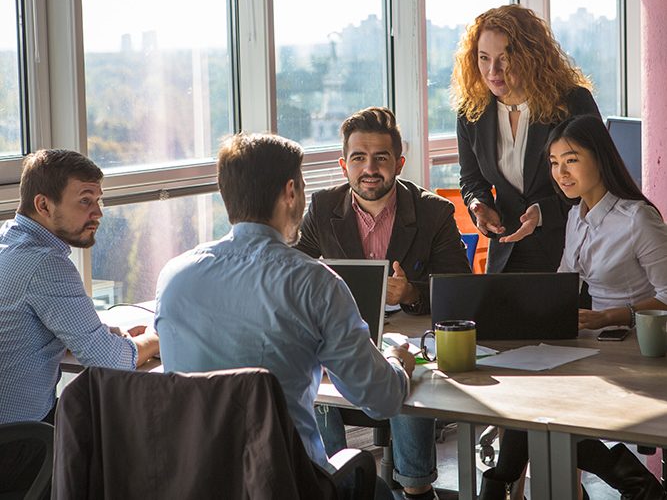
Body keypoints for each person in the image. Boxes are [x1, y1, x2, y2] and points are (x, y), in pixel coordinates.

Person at [154, 132, 414, 500]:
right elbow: (381, 399)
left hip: (194, 480)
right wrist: (397, 360)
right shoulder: (315, 282)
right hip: (286, 484)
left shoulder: (174, 275)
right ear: (291, 192)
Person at [480, 114, 667, 500]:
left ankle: (499, 485)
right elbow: (564, 281)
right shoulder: (574, 217)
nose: (561, 172)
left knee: (541, 414)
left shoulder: (637, 219)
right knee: (527, 400)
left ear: (599, 157)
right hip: (597, 342)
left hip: (639, 346)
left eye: (571, 159)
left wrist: (610, 316)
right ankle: (637, 486)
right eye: (554, 162)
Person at [296, 107, 471, 500]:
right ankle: (332, 479)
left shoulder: (432, 211)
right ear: (344, 165)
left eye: (381, 158)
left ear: (399, 163)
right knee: (310, 366)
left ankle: (416, 487)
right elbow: (293, 271)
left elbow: (460, 288)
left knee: (402, 367)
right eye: (358, 157)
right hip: (344, 333)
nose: (369, 168)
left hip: (408, 335)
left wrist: (410, 294)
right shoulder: (323, 208)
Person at [0, 149, 159, 494]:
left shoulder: (8, 243)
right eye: (85, 201)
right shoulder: (45, 264)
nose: (98, 213)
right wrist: (156, 338)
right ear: (43, 205)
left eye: (99, 200)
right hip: (13, 451)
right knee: (125, 446)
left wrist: (95, 334)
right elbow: (110, 361)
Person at [452, 4, 600, 273]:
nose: (493, 71)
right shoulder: (470, 113)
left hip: (571, 248)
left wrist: (542, 213)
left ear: (531, 56)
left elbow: (596, 180)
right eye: (484, 58)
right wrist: (479, 205)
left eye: (504, 57)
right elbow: (472, 179)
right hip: (506, 252)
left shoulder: (572, 103)